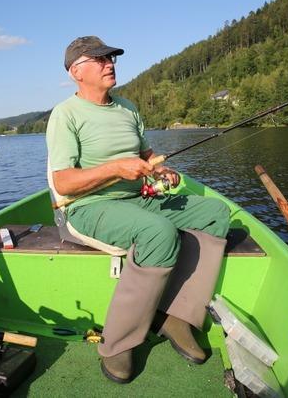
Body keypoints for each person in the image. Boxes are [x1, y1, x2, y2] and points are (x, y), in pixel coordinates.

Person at [46, 36, 231, 383]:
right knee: (157, 232)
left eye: (111, 57)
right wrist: (116, 168)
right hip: (89, 206)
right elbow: (64, 182)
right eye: (99, 59)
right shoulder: (65, 115)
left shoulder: (128, 107)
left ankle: (174, 314)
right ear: (75, 71)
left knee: (215, 213)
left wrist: (159, 169)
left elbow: (145, 155)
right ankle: (118, 343)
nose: (109, 63)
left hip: (139, 198)